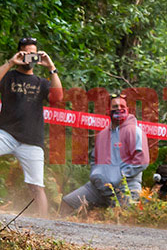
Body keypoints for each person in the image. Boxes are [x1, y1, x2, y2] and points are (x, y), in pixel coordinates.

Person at [0, 37, 63, 217]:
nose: (30, 58)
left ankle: (43, 225)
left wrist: (51, 67)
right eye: (26, 53)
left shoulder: (42, 82)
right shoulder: (9, 76)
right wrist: (11, 62)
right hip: (6, 133)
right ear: (20, 52)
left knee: (37, 186)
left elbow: (57, 99)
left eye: (33, 54)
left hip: (32, 140)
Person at [61, 94, 149, 214]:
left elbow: (142, 161)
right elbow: (94, 159)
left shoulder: (134, 131)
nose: (119, 108)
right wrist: (97, 176)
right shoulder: (102, 135)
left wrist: (118, 177)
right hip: (98, 187)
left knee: (124, 222)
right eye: (115, 106)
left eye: (122, 106)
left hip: (125, 188)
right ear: (108, 110)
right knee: (67, 204)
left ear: (128, 109)